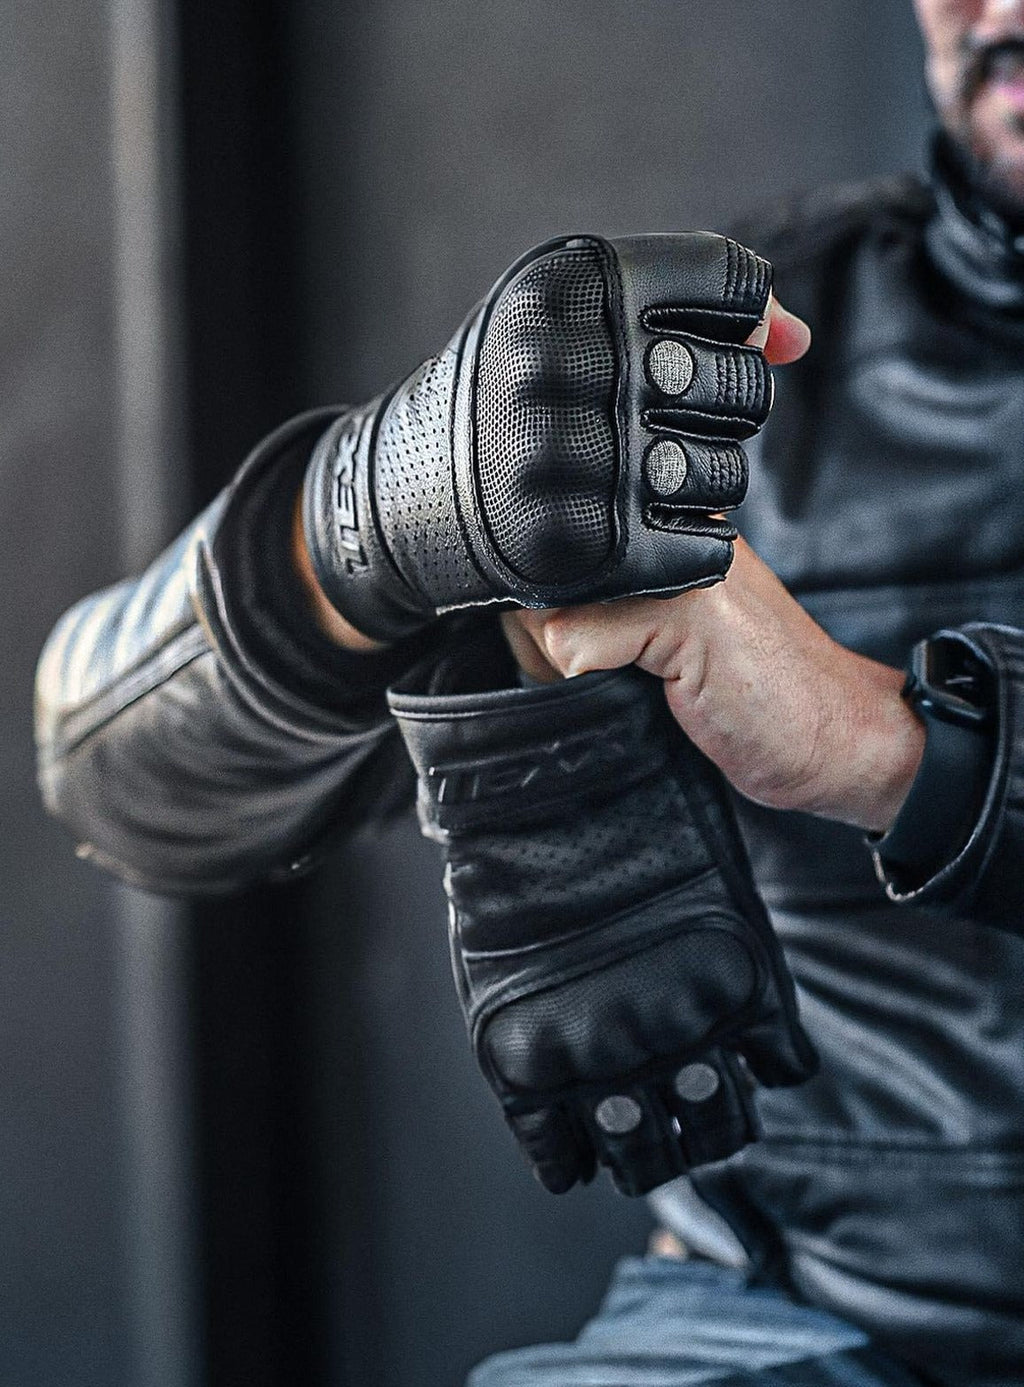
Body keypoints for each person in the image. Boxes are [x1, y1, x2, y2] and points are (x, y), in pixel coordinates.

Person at [32, 0, 1024, 1381]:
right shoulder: (720, 364)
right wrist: (372, 520)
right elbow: (109, 772)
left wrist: (885, 744)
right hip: (793, 1314)